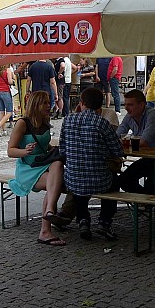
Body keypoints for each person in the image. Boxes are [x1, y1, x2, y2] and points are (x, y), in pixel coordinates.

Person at [59, 87, 124, 241]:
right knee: (114, 181)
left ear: (81, 103)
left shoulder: (67, 120)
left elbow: (62, 150)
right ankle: (104, 222)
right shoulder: (102, 123)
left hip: (72, 179)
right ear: (100, 106)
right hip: (99, 181)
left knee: (79, 180)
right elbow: (118, 151)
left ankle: (83, 220)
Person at [6, 90, 66, 246]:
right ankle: (46, 226)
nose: (48, 105)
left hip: (44, 164)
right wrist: (24, 151)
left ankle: (49, 215)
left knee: (58, 164)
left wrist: (53, 149)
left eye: (48, 102)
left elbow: (44, 146)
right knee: (55, 183)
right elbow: (10, 151)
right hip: (28, 168)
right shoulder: (23, 123)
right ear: (35, 105)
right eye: (44, 103)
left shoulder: (45, 121)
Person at [116, 89, 155, 197]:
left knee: (151, 184)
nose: (126, 108)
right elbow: (116, 136)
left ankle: (154, 200)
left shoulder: (152, 115)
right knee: (124, 180)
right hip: (149, 160)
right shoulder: (129, 116)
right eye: (125, 104)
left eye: (130, 105)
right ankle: (149, 200)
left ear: (142, 105)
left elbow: (144, 142)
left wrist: (124, 141)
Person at [0, 63, 15, 136]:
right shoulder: (8, 70)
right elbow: (10, 82)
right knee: (9, 112)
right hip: (5, 91)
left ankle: (3, 130)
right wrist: (13, 80)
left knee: (1, 112)